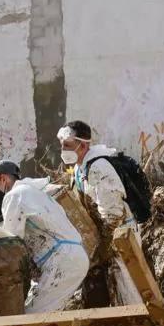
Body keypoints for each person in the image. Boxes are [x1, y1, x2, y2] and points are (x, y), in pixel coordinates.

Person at [0, 160, 89, 313]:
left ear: (3, 178)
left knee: (33, 315)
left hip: (62, 260)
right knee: (49, 312)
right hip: (71, 256)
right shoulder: (35, 192)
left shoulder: (14, 196)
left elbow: (12, 242)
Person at [59, 120, 141, 304]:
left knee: (127, 288)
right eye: (62, 145)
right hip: (107, 236)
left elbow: (113, 214)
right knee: (113, 288)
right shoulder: (80, 168)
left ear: (83, 145)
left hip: (122, 235)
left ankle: (137, 325)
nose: (63, 150)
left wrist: (105, 246)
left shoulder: (99, 167)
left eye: (68, 145)